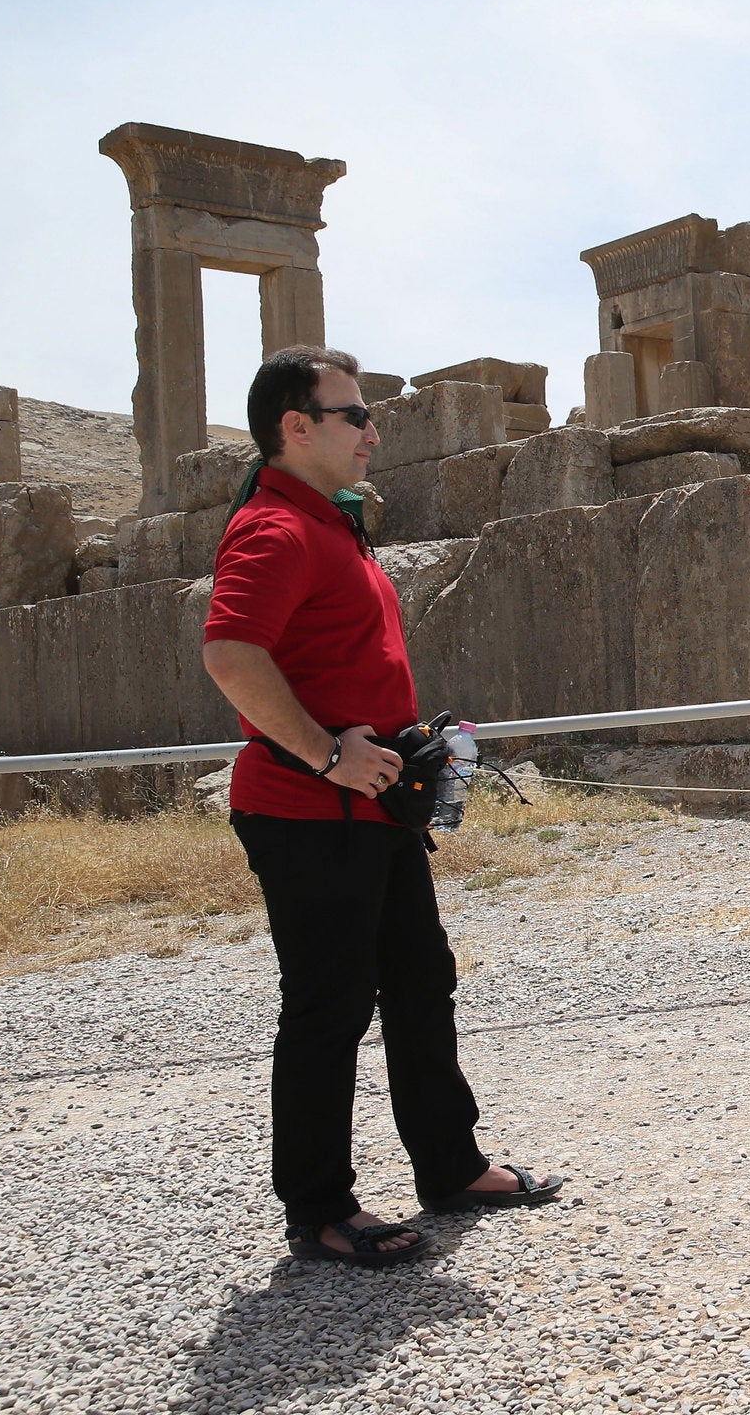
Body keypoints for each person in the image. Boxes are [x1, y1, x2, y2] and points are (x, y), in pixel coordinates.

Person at [203, 345, 563, 1268]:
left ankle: (449, 1166)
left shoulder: (333, 524)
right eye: (353, 413)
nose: (373, 428)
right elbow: (231, 656)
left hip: (375, 808)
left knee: (418, 981)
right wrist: (326, 752)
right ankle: (320, 1209)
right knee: (329, 1006)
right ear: (297, 426)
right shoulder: (274, 529)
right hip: (308, 810)